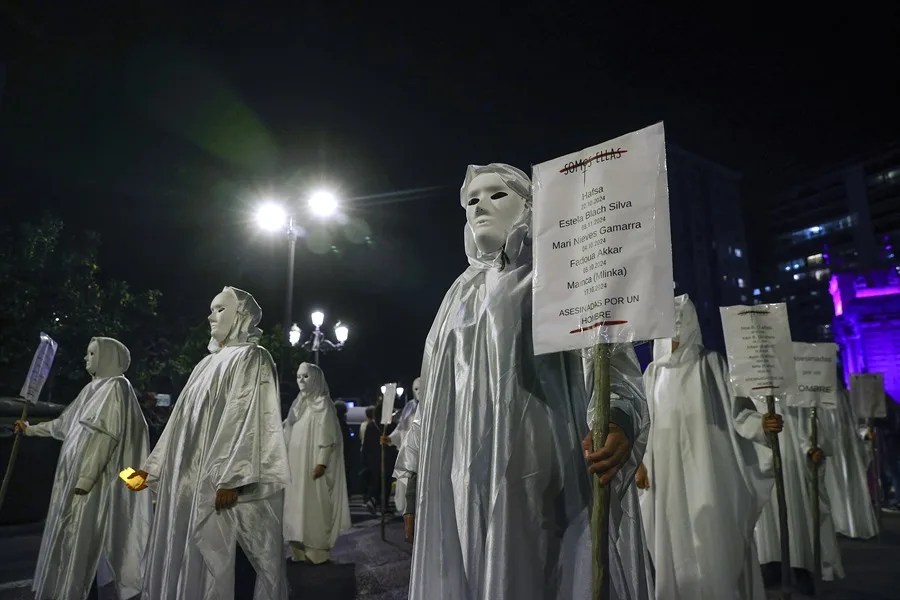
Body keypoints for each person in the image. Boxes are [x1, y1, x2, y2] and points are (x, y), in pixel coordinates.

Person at [394, 164, 652, 599]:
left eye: (497, 195)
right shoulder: (457, 298)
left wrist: (620, 420)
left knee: (542, 571)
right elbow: (432, 399)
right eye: (472, 199)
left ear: (530, 206)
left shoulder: (564, 275)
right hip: (461, 478)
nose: (480, 207)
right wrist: (413, 479)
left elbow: (610, 362)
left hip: (546, 471)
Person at [125, 286, 290, 599]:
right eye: (212, 309)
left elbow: (248, 419)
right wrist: (152, 470)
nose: (210, 316)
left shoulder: (253, 358)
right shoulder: (205, 365)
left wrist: (233, 478)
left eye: (220, 309)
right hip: (188, 482)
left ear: (240, 315)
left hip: (220, 487)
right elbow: (179, 423)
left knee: (225, 560)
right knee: (187, 555)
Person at [637, 295, 775, 599]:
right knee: (672, 539)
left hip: (708, 472)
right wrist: (640, 462)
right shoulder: (652, 374)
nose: (671, 338)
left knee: (714, 540)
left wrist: (760, 425)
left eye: (676, 329)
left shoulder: (710, 364)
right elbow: (642, 426)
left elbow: (736, 412)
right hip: (665, 476)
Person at [16, 337, 151, 600]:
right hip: (73, 480)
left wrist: (86, 478)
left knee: (83, 541)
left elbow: (105, 436)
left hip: (93, 483)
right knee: (69, 537)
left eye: (92, 354)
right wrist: (30, 429)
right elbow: (62, 425)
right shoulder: (92, 389)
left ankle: (80, 592)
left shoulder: (116, 387)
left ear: (108, 357)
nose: (86, 359)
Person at [754, 397, 845, 593]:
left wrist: (813, 445)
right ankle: (771, 562)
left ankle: (803, 565)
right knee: (767, 515)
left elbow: (808, 415)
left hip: (794, 453)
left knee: (799, 510)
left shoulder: (793, 390)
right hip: (761, 450)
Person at [282, 362, 351, 564]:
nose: (301, 381)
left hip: (313, 469)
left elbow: (327, 437)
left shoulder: (324, 405)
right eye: (298, 377)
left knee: (315, 506)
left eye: (306, 377)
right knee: (295, 505)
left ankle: (316, 548)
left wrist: (321, 462)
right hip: (295, 468)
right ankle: (297, 545)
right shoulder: (298, 405)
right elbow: (287, 428)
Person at [823, 386, 878, 538]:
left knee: (839, 477)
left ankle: (841, 521)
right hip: (836, 443)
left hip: (840, 443)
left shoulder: (838, 396)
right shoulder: (840, 395)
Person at [381, 376, 421, 514]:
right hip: (408, 454)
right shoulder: (409, 406)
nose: (419, 392)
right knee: (407, 489)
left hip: (424, 455)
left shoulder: (433, 407)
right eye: (416, 389)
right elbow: (401, 428)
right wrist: (390, 439)